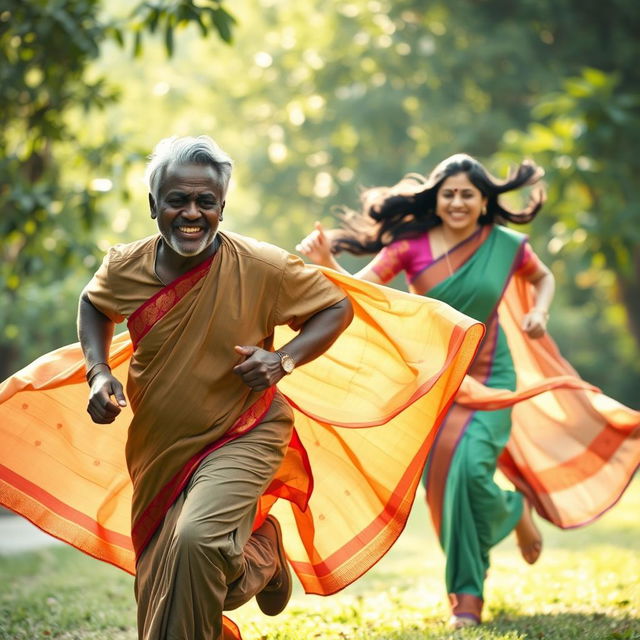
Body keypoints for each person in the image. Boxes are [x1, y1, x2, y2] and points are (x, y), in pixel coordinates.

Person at [0, 137, 486, 640]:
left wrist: (282, 360)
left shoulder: (263, 267)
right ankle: (262, 554)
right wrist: (98, 371)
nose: (192, 213)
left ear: (222, 207)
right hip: (158, 446)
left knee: (196, 544)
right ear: (153, 206)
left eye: (205, 202)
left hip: (245, 431)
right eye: (177, 200)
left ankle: (249, 556)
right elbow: (95, 305)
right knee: (171, 577)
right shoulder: (126, 265)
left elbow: (335, 308)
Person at [297, 153, 640, 629]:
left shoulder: (507, 246)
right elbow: (365, 294)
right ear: (436, 199)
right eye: (449, 193)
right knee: (443, 492)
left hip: (493, 379)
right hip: (436, 384)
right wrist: (328, 264)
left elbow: (543, 276)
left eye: (468, 194)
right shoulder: (409, 245)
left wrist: (538, 311)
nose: (457, 202)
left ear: (484, 202)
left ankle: (465, 601)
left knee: (467, 473)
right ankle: (512, 507)